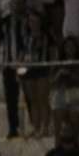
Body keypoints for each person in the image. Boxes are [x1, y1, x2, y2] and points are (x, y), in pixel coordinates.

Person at [0, 0, 32, 139]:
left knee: (30, 95)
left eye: (19, 3)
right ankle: (13, 127)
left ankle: (35, 124)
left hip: (25, 64)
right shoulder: (4, 22)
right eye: (14, 3)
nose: (16, 6)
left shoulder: (29, 20)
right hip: (9, 65)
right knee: (11, 98)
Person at [21, 9, 55, 138]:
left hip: (43, 70)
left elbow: (53, 54)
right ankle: (36, 126)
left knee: (42, 98)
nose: (33, 23)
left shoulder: (47, 36)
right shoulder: (25, 38)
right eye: (31, 21)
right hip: (29, 70)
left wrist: (51, 70)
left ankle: (45, 127)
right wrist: (20, 69)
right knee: (33, 100)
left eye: (36, 21)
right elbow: (22, 54)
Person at [51, 36, 79, 135]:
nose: (70, 49)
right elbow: (52, 82)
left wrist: (71, 75)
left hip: (76, 94)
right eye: (67, 46)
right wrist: (60, 74)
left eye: (72, 46)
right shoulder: (58, 63)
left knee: (76, 124)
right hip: (60, 94)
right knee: (58, 131)